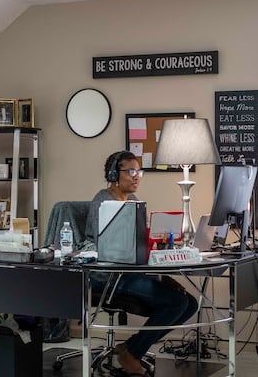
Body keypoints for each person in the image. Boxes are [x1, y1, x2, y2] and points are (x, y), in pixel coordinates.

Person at [85, 150, 199, 376]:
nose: (137, 176)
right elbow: (109, 248)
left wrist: (159, 268)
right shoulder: (104, 202)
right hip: (107, 276)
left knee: (191, 303)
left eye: (139, 171)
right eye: (131, 171)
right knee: (176, 303)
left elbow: (137, 246)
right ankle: (132, 353)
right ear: (113, 174)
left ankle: (131, 346)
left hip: (131, 272)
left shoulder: (135, 202)